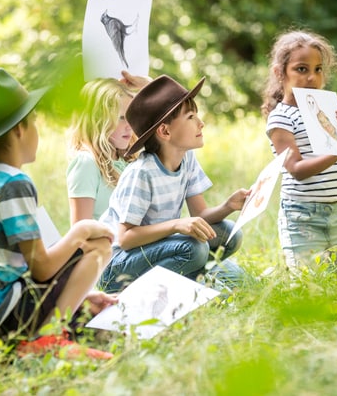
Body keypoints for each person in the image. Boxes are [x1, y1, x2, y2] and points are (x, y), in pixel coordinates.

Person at [0, 68, 116, 356]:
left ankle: (53, 329)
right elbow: (41, 267)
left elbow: (17, 268)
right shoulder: (12, 182)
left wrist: (77, 295)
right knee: (99, 244)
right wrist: (80, 232)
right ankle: (50, 337)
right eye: (33, 121)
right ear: (20, 129)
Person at [98, 75, 250, 293]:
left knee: (230, 233)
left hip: (158, 249)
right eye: (190, 117)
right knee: (195, 249)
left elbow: (202, 215)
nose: (201, 122)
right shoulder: (142, 173)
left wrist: (228, 206)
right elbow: (125, 238)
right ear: (165, 131)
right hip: (117, 266)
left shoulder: (186, 159)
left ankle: (192, 278)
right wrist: (176, 225)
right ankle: (155, 290)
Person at [261, 30, 337, 271]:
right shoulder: (280, 118)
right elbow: (297, 170)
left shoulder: (325, 111)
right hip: (302, 215)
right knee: (309, 286)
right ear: (279, 73)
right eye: (301, 69)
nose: (312, 77)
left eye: (318, 69)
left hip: (335, 212)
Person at [66, 78, 137, 224]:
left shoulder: (127, 159)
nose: (129, 125)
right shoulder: (86, 163)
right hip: (108, 245)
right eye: (121, 118)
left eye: (131, 116)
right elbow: (81, 230)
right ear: (98, 120)